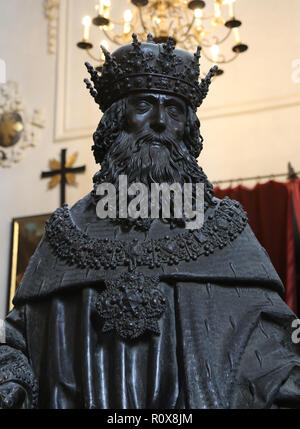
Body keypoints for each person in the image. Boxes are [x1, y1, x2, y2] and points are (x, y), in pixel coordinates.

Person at [0, 34, 300, 409]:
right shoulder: (67, 232)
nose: (160, 121)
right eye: (143, 104)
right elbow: (17, 344)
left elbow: (274, 355)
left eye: (174, 109)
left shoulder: (226, 231)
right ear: (115, 119)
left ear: (187, 128)